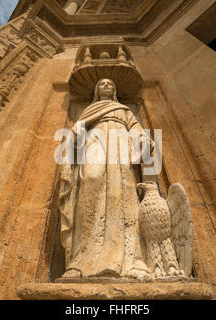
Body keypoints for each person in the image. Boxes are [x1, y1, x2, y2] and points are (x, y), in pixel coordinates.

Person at [58, 78, 154, 280]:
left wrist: (142, 139)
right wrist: (77, 133)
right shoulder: (89, 111)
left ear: (115, 90)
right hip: (95, 144)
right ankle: (81, 259)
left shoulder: (124, 110)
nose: (106, 85)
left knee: (123, 193)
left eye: (110, 83)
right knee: (90, 181)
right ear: (96, 90)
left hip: (121, 149)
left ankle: (130, 259)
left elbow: (136, 130)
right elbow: (77, 133)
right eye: (102, 83)